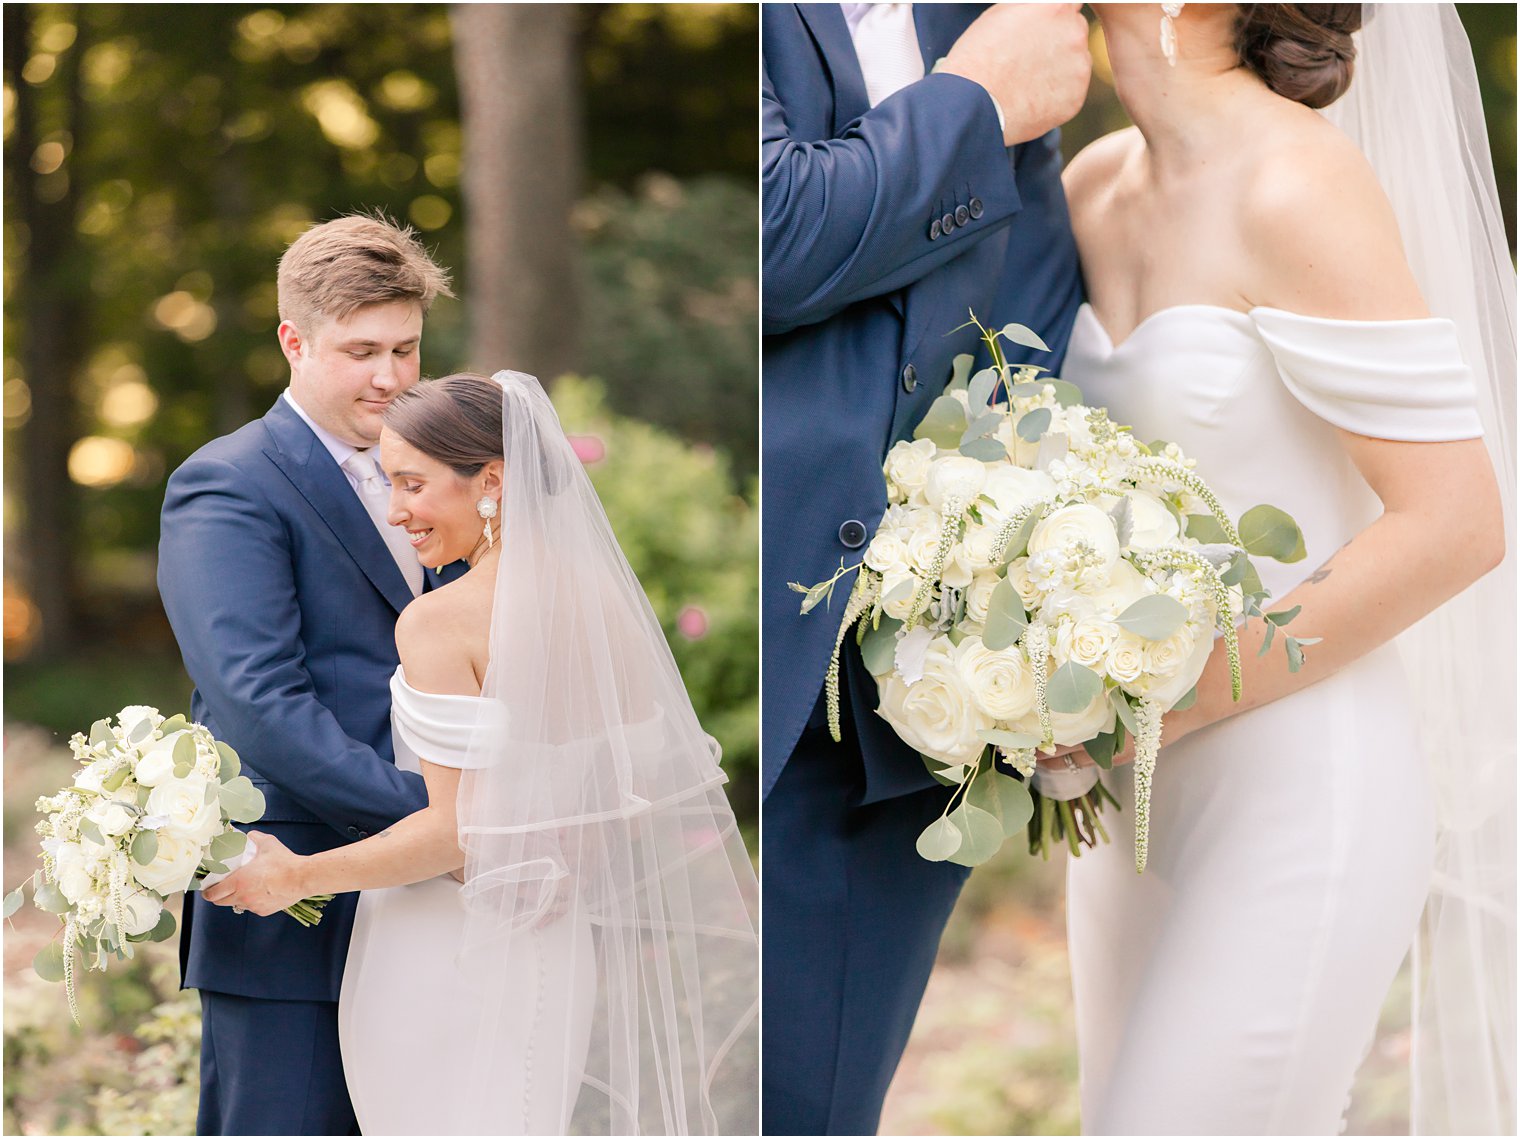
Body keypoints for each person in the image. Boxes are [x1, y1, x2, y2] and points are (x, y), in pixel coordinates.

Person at [1049, 4, 1514, 1133]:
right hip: (1118, 819)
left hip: (1297, 795)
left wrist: (1153, 708)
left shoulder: (1297, 183)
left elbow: (1455, 522)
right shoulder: (1088, 184)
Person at [203, 372, 760, 1136]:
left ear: (491, 480)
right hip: (556, 947)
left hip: (441, 948)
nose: (396, 510)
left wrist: (293, 875)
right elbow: (627, 798)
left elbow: (462, 830)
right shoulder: (607, 612)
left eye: (411, 483)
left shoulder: (441, 622)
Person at [760, 3, 1090, 1133]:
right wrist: (973, 101)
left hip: (905, 712)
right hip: (731, 658)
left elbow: (1030, 293)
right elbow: (766, 233)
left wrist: (1024, 570)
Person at [157, 213, 458, 1135]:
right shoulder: (228, 485)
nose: (392, 377)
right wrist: (440, 822)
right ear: (294, 340)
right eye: (361, 350)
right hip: (294, 903)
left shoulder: (444, 472)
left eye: (406, 348)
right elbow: (260, 703)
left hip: (438, 906)